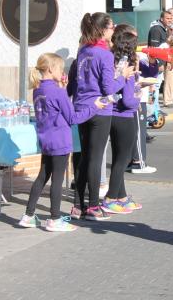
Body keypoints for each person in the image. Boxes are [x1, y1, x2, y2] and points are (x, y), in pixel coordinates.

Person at [19, 54, 103, 232]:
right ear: (50, 69)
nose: (62, 71)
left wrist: (63, 89)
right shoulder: (57, 92)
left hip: (46, 139)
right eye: (59, 68)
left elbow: (55, 109)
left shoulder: (38, 89)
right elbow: (73, 117)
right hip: (60, 141)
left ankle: (28, 215)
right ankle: (54, 218)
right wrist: (95, 106)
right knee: (56, 181)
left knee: (42, 177)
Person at [68, 12, 134, 221]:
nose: (113, 30)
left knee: (84, 156)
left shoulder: (83, 51)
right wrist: (123, 77)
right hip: (99, 108)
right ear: (103, 29)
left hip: (81, 106)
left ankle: (78, 205)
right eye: (111, 26)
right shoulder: (104, 54)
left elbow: (76, 82)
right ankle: (94, 207)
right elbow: (108, 88)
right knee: (95, 159)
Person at [101, 24, 143, 214]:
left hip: (113, 116)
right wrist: (138, 94)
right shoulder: (128, 67)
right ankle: (110, 198)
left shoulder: (114, 63)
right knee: (123, 160)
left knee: (119, 157)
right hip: (125, 116)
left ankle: (122, 196)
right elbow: (128, 99)